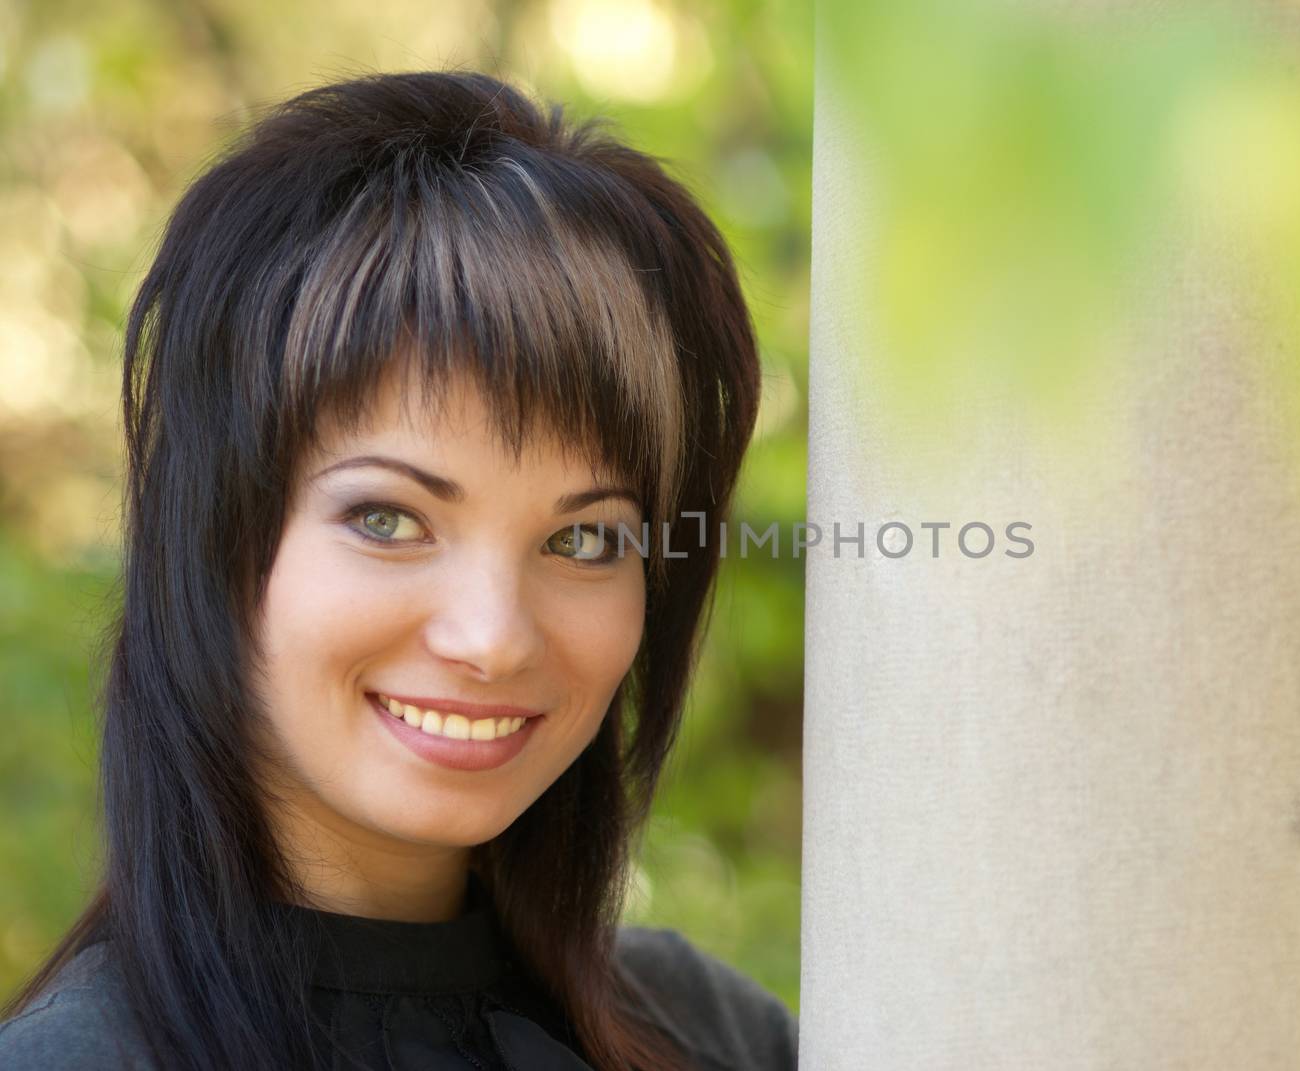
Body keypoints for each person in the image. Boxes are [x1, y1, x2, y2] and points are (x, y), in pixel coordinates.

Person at [0, 70, 796, 1070]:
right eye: (388, 518)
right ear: (215, 540)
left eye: (586, 539)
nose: (492, 637)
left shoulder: (705, 1034)